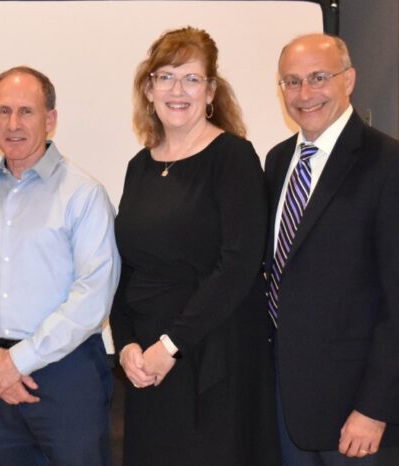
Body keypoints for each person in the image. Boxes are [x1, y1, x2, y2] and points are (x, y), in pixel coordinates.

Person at [109, 27, 279, 466]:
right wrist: (127, 345)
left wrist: (170, 345)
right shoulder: (139, 167)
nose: (177, 90)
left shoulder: (233, 158)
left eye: (191, 78)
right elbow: (125, 266)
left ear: (210, 91)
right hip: (149, 363)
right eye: (165, 77)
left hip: (213, 357)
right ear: (149, 90)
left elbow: (239, 265)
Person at [267, 33, 399, 466]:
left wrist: (375, 409)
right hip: (287, 403)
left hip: (355, 417)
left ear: (349, 79)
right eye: (292, 81)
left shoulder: (395, 166)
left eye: (318, 78)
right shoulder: (277, 160)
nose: (305, 94)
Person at [0, 66, 120, 465]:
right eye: (3, 111)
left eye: (26, 111)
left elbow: (93, 295)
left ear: (50, 119)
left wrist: (17, 362)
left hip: (66, 375)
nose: (13, 123)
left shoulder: (84, 195)